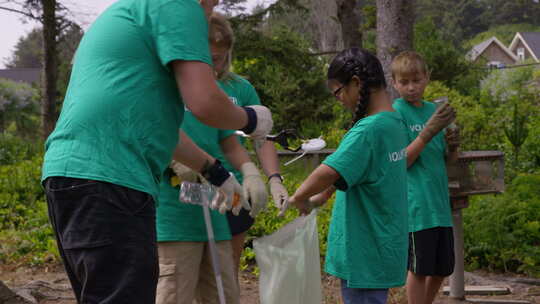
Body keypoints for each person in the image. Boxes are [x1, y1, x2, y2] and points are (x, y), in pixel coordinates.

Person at [40, 0, 273, 303]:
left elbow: (153, 124)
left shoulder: (139, 12)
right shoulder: (179, 4)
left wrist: (212, 170)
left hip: (75, 176)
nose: (211, 9)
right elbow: (204, 102)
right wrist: (251, 119)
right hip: (113, 179)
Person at [155, 13, 286, 304]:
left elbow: (230, 140)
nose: (214, 66)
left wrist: (253, 172)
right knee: (175, 291)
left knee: (223, 292)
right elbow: (149, 128)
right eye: (209, 58)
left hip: (220, 201)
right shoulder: (166, 85)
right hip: (175, 212)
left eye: (220, 58)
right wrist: (175, 160)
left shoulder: (226, 90)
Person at [288, 48, 409, 304]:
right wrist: (324, 196)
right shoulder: (394, 122)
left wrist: (299, 196)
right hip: (383, 245)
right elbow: (361, 171)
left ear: (356, 83)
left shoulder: (368, 130)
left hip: (363, 250)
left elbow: (329, 170)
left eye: (338, 92)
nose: (338, 99)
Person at [390, 50, 459, 304]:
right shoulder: (396, 113)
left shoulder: (435, 109)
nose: (411, 87)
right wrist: (427, 133)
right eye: (404, 82)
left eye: (416, 80)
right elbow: (402, 161)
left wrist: (453, 145)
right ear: (395, 83)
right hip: (416, 206)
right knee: (419, 269)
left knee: (443, 267)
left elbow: (449, 161)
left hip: (440, 204)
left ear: (427, 78)